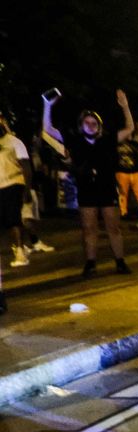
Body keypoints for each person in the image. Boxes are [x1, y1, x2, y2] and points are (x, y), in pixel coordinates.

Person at [43, 89, 134, 277]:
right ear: (81, 125)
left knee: (113, 227)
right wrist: (47, 106)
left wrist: (125, 107)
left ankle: (120, 262)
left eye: (94, 123)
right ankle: (91, 263)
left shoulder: (108, 140)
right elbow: (48, 130)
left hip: (107, 188)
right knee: (88, 228)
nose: (90, 126)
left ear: (99, 126)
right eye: (87, 122)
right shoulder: (75, 141)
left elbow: (129, 128)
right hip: (86, 189)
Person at [1, 114, 35, 310]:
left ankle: (21, 251)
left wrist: (27, 190)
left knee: (14, 219)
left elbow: (26, 167)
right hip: (0, 187)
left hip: (14, 185)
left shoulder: (14, 142)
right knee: (8, 221)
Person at [116, 127, 138, 223]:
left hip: (135, 172)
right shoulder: (116, 145)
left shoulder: (135, 145)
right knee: (123, 194)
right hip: (121, 172)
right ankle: (123, 212)